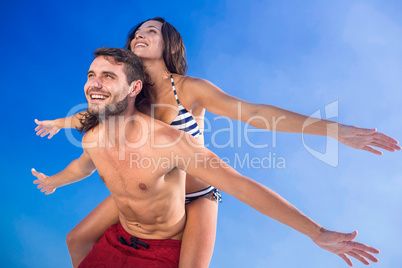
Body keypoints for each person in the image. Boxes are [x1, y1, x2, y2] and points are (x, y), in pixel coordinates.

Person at [34, 18, 400, 267]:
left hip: (196, 195)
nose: (139, 36)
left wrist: (334, 131)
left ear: (168, 44)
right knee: (77, 239)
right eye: (135, 34)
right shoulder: (129, 94)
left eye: (152, 31)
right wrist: (59, 122)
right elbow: (97, 112)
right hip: (151, 186)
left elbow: (258, 114)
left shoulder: (188, 89)